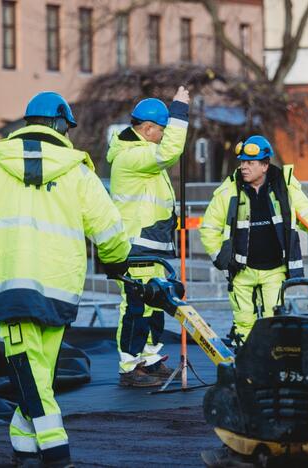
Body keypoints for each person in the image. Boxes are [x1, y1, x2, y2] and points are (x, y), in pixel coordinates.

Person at [0, 92, 130, 467]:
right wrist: (117, 261)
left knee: (34, 370)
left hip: (8, 281)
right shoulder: (78, 171)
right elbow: (110, 232)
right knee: (37, 367)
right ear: (63, 125)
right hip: (60, 284)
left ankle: (41, 445)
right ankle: (47, 444)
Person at [200, 135, 308, 345]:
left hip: (274, 270)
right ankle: (244, 366)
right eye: (242, 162)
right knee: (244, 322)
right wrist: (222, 259)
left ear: (264, 165)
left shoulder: (284, 186)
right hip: (241, 271)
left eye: (250, 163)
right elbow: (209, 228)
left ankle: (272, 364)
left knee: (275, 320)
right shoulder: (228, 191)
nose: (244, 167)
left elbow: (305, 211)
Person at [107, 86, 189, 386]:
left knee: (154, 303)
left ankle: (149, 359)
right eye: (163, 130)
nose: (165, 136)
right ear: (149, 128)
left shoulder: (142, 154)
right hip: (137, 245)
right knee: (135, 306)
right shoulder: (132, 156)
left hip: (151, 245)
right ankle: (130, 365)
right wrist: (180, 111)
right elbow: (171, 152)